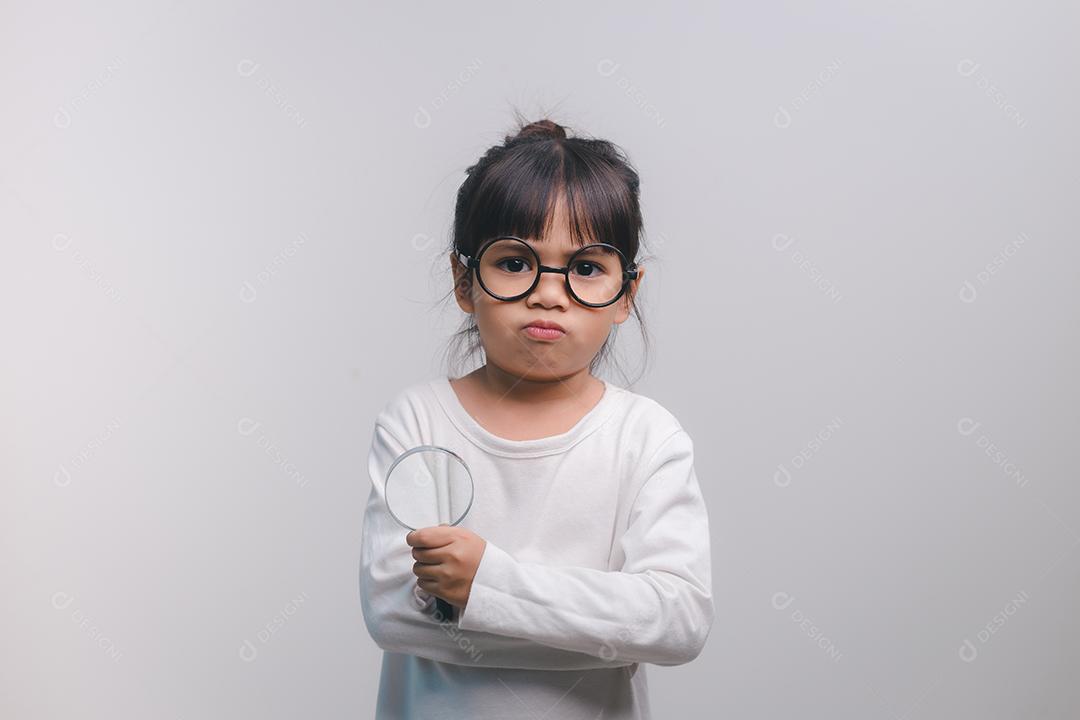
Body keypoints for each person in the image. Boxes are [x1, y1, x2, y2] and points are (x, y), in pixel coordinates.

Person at [359, 117, 714, 719]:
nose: (548, 293)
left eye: (585, 268)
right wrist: (604, 634)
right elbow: (393, 614)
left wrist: (485, 586)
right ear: (464, 279)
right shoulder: (418, 421)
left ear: (627, 293)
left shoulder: (646, 437)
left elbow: (676, 621)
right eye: (516, 263)